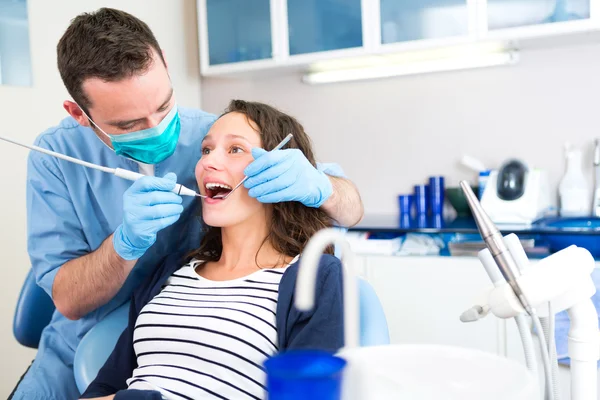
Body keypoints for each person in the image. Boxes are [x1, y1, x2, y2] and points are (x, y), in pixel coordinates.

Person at [11, 8, 363, 400]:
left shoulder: (314, 279)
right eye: (129, 124)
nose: (158, 127)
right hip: (81, 348)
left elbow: (348, 206)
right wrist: (123, 244)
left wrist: (321, 187)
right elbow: (73, 311)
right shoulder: (56, 158)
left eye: (163, 106)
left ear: (164, 62)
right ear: (79, 114)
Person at [80, 100, 344, 400]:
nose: (207, 163)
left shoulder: (314, 277)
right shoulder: (169, 272)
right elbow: (100, 391)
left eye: (235, 149)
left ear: (279, 171)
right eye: (206, 150)